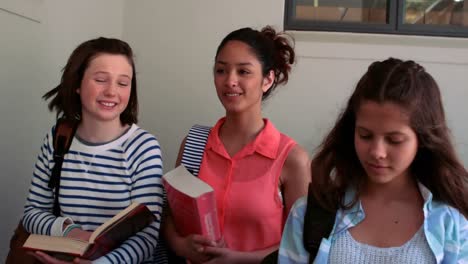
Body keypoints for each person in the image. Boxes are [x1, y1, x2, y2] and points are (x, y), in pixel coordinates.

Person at [278, 58, 468, 264]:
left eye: (394, 140)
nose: (377, 152)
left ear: (422, 139)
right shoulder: (309, 214)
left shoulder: (451, 222)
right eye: (365, 136)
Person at [162, 26, 311, 263]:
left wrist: (238, 259)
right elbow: (169, 216)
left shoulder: (291, 158)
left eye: (243, 72)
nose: (230, 80)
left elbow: (302, 245)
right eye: (221, 70)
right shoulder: (194, 144)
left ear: (267, 79)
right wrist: (182, 246)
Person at [22, 37, 164, 263]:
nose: (111, 91)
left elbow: (147, 237)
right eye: (100, 80)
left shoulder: (143, 147)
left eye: (122, 83)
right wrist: (70, 231)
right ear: (77, 84)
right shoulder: (57, 138)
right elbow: (32, 213)